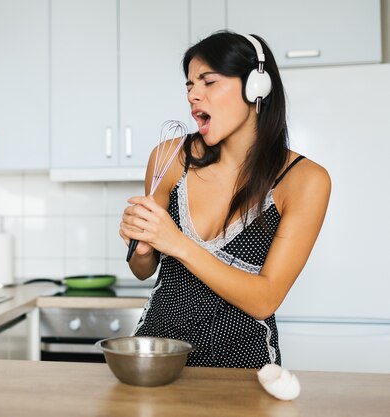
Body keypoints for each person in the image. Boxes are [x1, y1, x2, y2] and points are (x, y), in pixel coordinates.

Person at [119, 31, 331, 368]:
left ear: (255, 88)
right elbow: (143, 270)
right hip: (160, 356)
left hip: (244, 366)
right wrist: (143, 247)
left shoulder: (305, 180)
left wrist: (176, 243)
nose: (193, 95)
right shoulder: (169, 157)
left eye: (209, 82)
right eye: (189, 85)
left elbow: (265, 299)